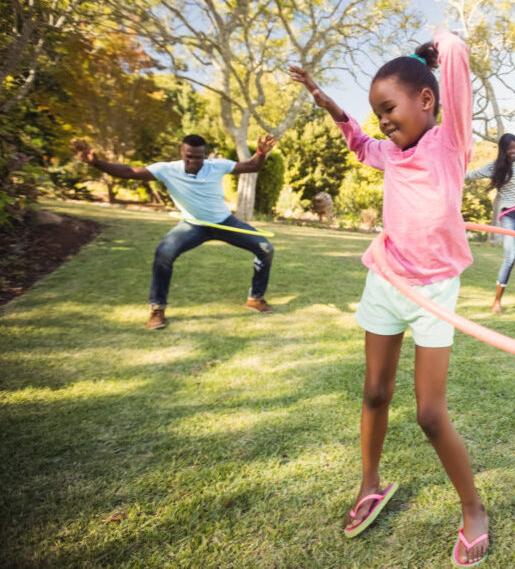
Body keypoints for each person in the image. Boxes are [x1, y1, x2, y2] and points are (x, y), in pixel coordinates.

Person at [289, 28, 489, 567]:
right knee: (374, 391)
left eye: (389, 108)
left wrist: (443, 42)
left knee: (429, 413)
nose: (383, 120)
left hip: (434, 288)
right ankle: (370, 483)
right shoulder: (389, 154)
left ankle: (473, 509)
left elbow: (457, 77)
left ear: (426, 100)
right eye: (378, 112)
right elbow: (355, 141)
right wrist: (323, 99)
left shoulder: (451, 144)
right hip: (386, 279)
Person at [71, 134, 277, 330]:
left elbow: (252, 166)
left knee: (265, 248)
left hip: (224, 221)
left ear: (205, 155)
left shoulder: (217, 166)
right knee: (163, 254)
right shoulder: (167, 170)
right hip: (192, 225)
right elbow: (128, 172)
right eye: (189, 156)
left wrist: (261, 151)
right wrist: (96, 163)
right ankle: (157, 309)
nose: (194, 161)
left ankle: (255, 299)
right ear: (181, 153)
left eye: (199, 157)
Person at [465, 121, 515, 313]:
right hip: (508, 214)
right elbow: (469, 175)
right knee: (510, 256)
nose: (514, 151)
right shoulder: (494, 167)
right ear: (504, 149)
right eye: (511, 148)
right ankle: (497, 302)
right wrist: (450, 169)